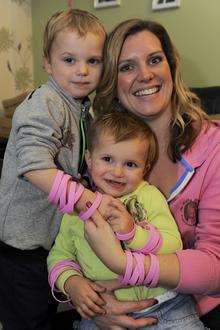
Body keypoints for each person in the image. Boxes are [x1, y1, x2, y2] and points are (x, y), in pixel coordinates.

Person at [81, 19, 220, 330]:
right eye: (127, 67)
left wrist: (125, 265)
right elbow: (68, 242)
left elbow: (217, 266)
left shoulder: (215, 148)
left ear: (171, 67)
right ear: (112, 83)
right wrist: (92, 303)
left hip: (200, 310)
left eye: (155, 60)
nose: (145, 74)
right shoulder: (97, 153)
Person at [0, 8, 111, 330]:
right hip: (20, 248)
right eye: (69, 60)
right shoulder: (45, 103)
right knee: (29, 320)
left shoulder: (83, 108)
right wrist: (88, 201)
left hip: (47, 242)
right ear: (47, 63)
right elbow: (34, 166)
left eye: (93, 61)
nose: (82, 71)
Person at [48, 112, 204, 329]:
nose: (118, 171)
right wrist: (72, 283)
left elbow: (173, 244)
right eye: (108, 159)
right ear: (89, 160)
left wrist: (133, 233)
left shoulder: (148, 195)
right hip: (101, 310)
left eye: (130, 164)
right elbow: (59, 255)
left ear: (145, 168)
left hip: (167, 307)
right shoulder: (76, 209)